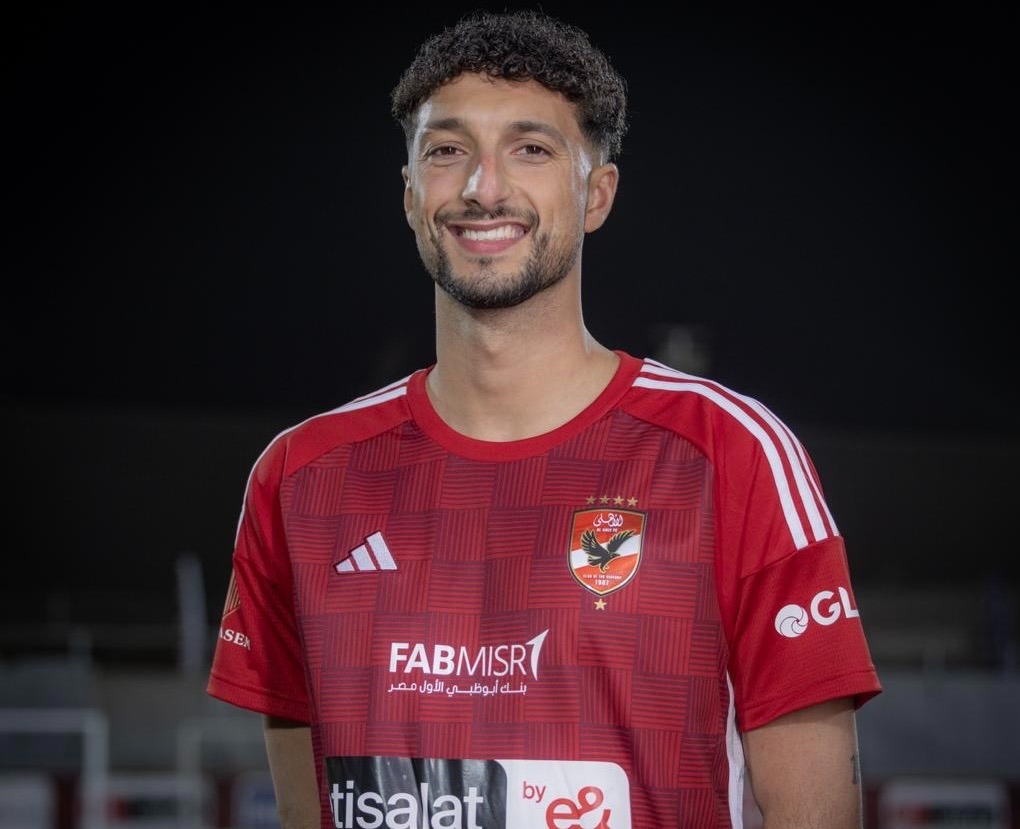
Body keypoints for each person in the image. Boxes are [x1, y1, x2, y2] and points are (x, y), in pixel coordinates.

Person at [207, 9, 882, 828]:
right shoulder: (302, 477)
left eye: (530, 148)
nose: (483, 187)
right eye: (447, 150)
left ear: (597, 194)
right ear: (411, 193)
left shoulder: (731, 454)